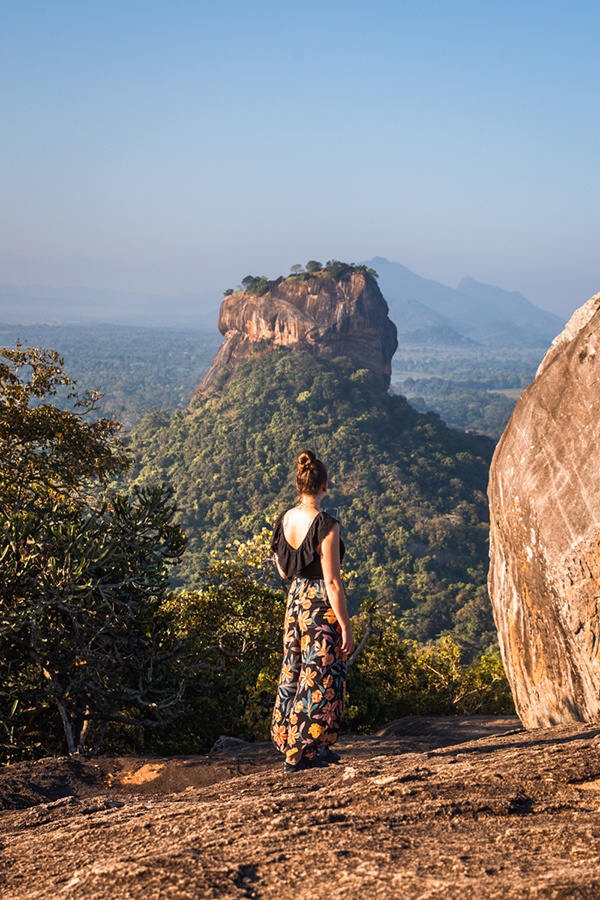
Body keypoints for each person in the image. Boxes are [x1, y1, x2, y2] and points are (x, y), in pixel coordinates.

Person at [270, 450, 355, 773]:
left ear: (298, 484)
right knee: (320, 676)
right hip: (320, 605)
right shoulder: (327, 525)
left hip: (295, 602)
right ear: (325, 485)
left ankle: (304, 744)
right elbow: (332, 581)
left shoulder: (285, 519)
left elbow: (283, 571)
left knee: (294, 670)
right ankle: (302, 750)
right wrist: (346, 626)